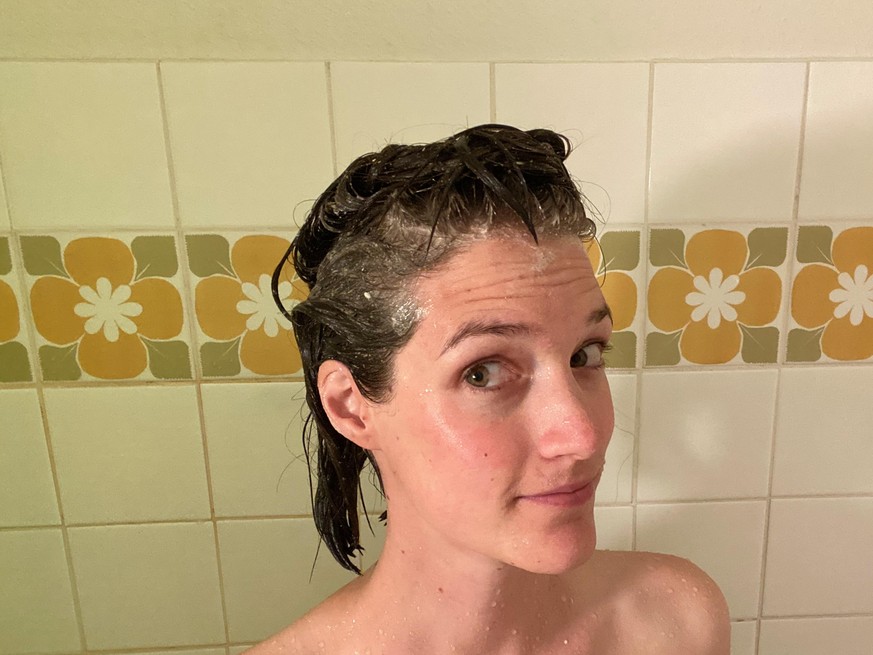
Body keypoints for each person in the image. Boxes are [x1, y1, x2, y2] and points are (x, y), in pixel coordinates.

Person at [255, 124, 730, 654]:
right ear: (351, 407)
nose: (583, 437)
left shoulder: (675, 621)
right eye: (482, 373)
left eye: (584, 355)